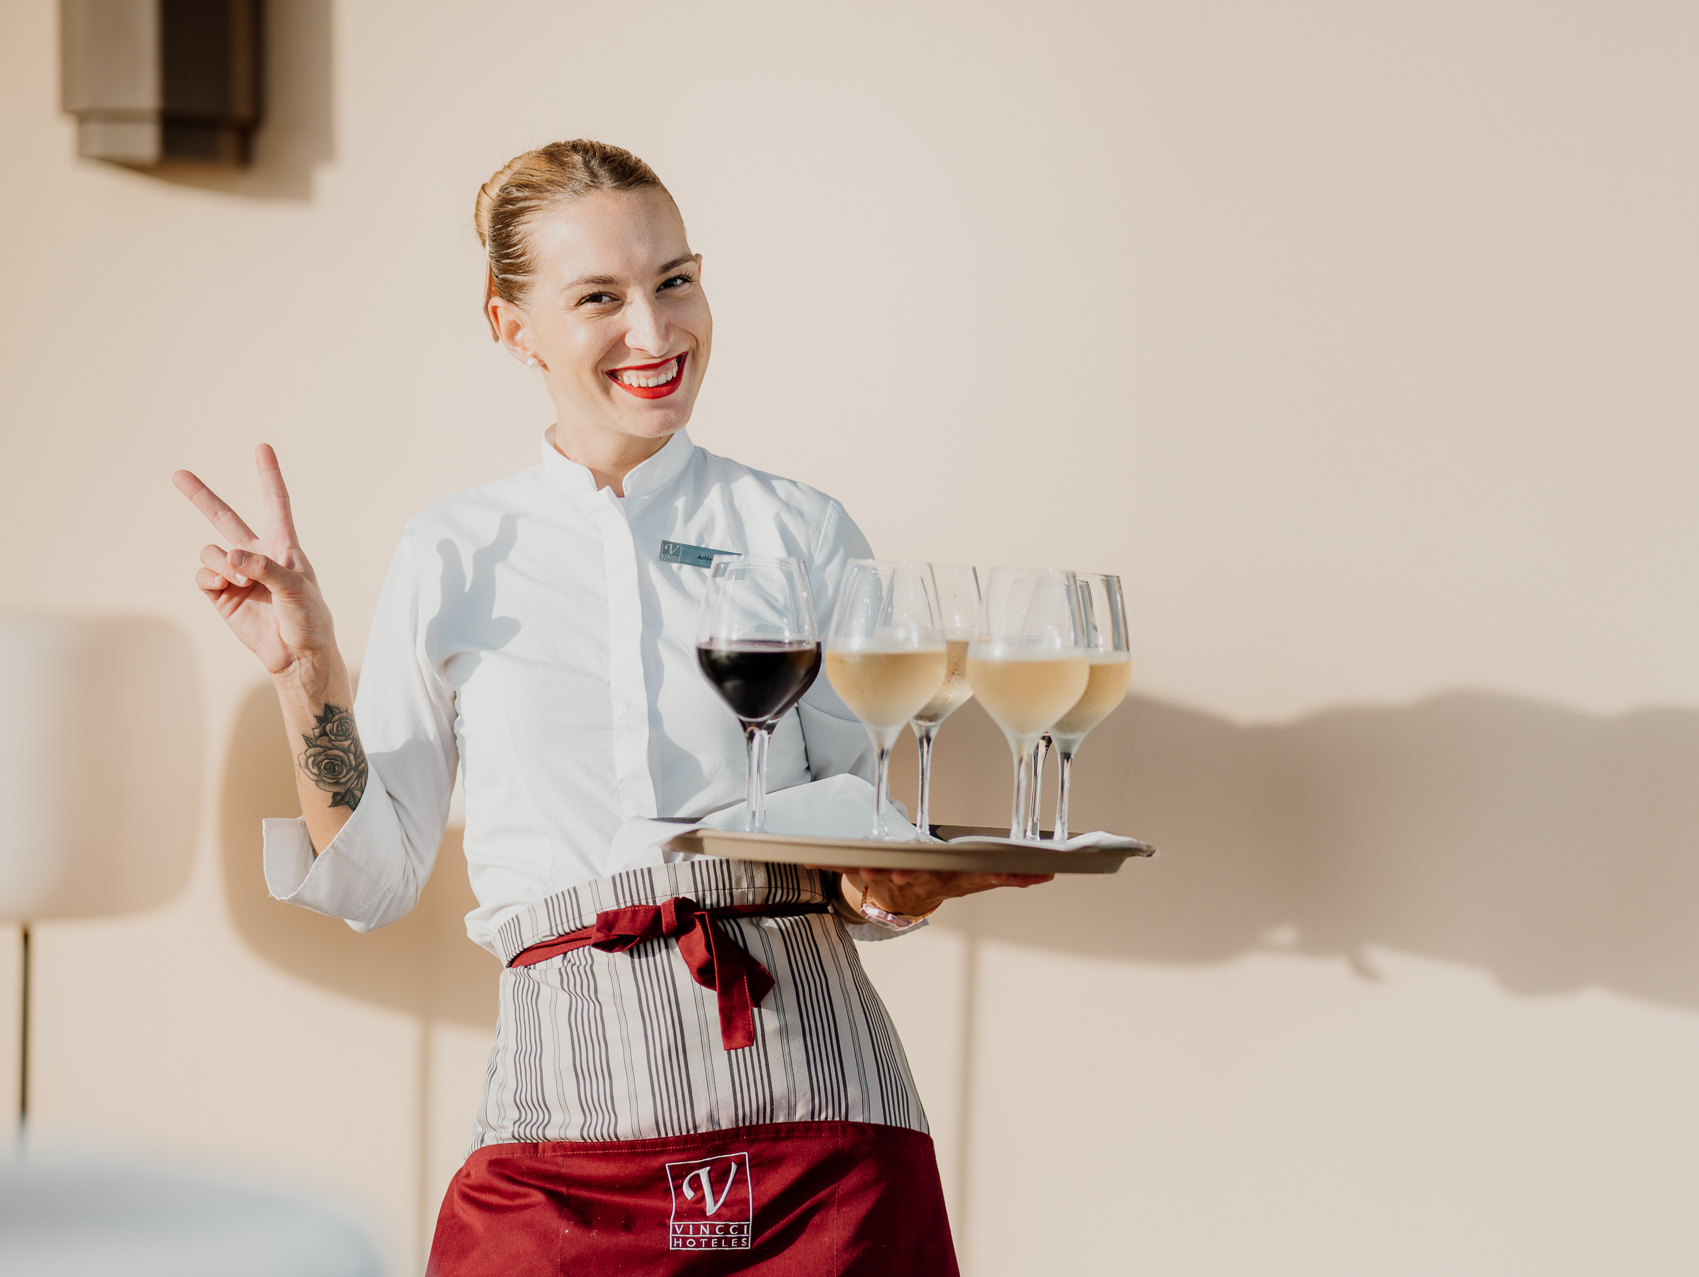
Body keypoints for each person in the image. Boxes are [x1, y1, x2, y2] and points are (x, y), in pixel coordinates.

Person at [174, 138, 1049, 1274]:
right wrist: (306, 670)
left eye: (675, 279)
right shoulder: (454, 551)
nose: (657, 331)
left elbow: (858, 836)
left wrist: (892, 884)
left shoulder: (803, 532)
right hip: (562, 1149)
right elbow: (375, 876)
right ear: (510, 324)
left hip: (823, 1137)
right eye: (601, 297)